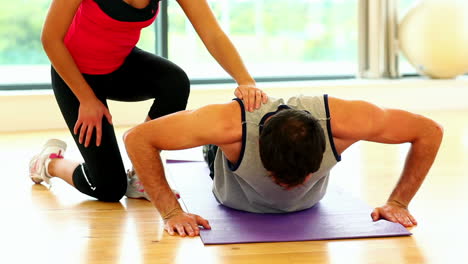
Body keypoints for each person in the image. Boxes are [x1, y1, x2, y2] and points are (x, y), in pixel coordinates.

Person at [29, 0, 267, 201]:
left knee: (174, 82)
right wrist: (86, 98)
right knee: (108, 187)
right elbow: (51, 39)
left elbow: (212, 33)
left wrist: (245, 80)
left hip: (118, 66)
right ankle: (49, 163)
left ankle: (140, 172)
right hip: (74, 75)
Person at [122, 94, 443, 237]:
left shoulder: (345, 121)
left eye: (303, 177)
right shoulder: (227, 126)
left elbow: (429, 131)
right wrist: (171, 211)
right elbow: (138, 138)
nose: (291, 186)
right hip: (230, 167)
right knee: (212, 140)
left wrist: (398, 201)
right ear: (262, 151)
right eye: (279, 177)